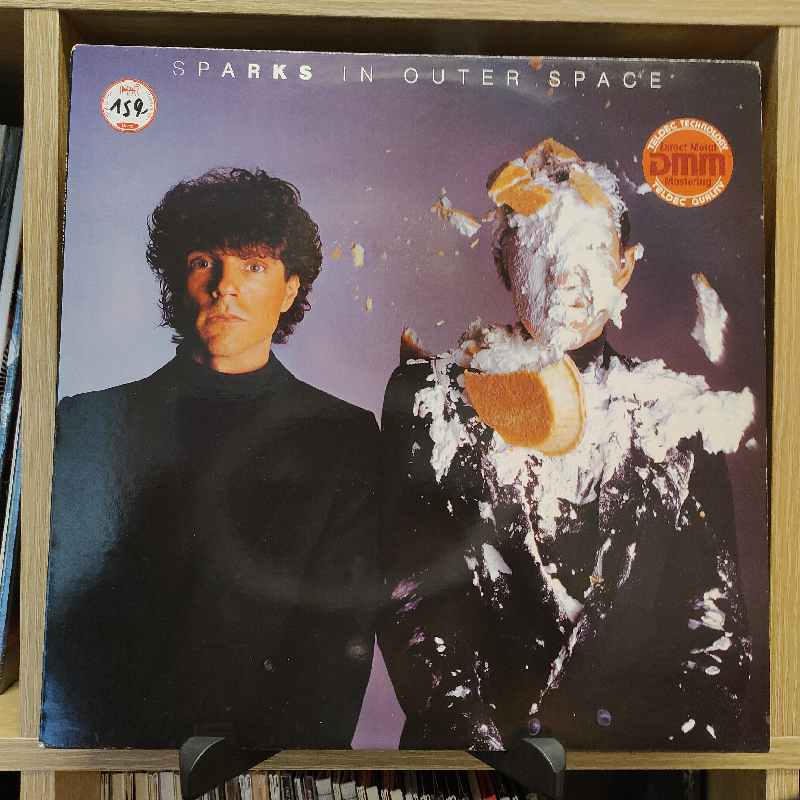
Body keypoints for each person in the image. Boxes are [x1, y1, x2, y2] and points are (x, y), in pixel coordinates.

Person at [379, 140, 757, 751]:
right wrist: (488, 758)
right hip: (475, 771)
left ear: (623, 268)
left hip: (631, 774)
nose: (564, 274)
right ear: (504, 264)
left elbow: (712, 634)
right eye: (537, 247)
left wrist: (643, 770)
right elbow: (414, 600)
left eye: (588, 248)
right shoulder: (432, 400)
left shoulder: (679, 416)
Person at [42, 168, 381, 749]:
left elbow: (334, 661)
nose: (226, 286)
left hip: (268, 765)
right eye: (205, 261)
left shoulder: (344, 438)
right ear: (177, 280)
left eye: (253, 266)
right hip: (114, 756)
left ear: (290, 289)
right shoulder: (87, 423)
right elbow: (62, 645)